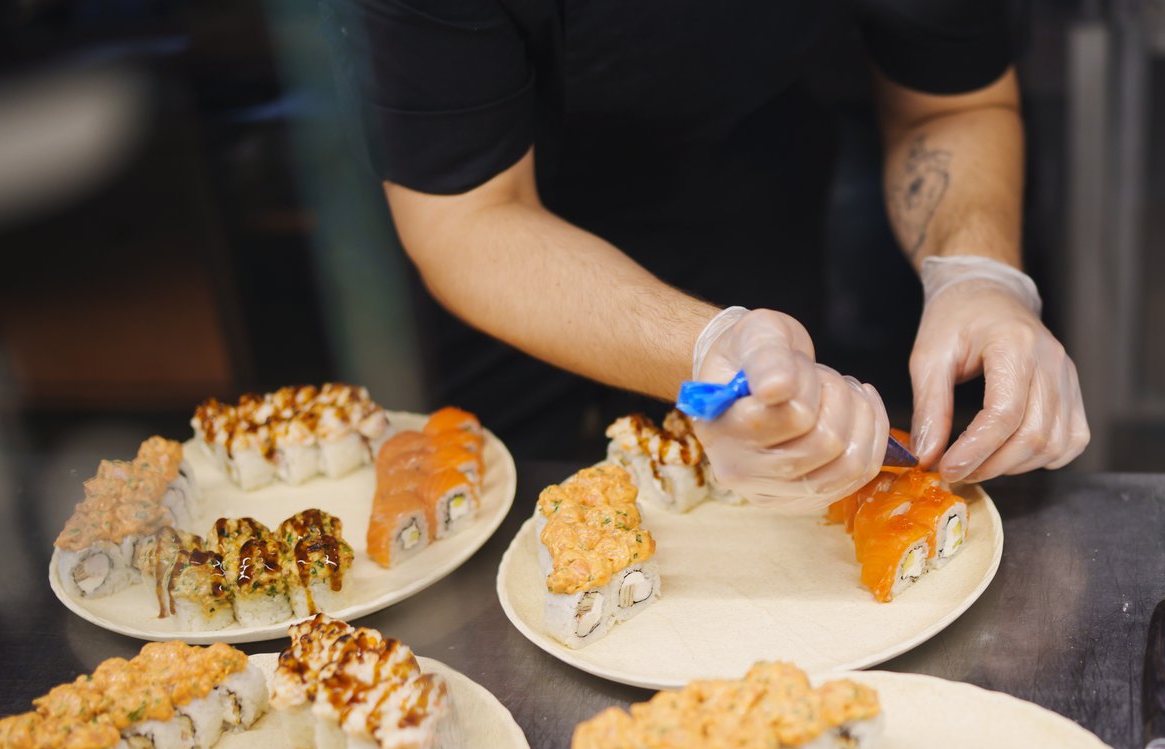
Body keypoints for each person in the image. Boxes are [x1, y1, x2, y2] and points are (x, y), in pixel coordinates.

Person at [322, 0, 1088, 512]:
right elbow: (470, 221)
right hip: (501, 253)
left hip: (747, 172)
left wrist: (979, 274)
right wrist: (705, 354)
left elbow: (954, 103)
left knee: (774, 521)